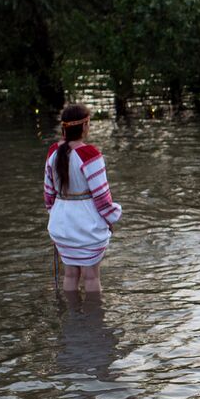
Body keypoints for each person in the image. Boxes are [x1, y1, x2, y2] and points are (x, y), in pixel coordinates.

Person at [44, 103, 122, 295]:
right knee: (91, 276)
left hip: (61, 222)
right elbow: (102, 198)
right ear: (84, 126)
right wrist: (111, 218)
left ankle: (71, 321)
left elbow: (48, 194)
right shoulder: (90, 155)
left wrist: (54, 215)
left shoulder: (53, 152)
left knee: (70, 275)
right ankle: (93, 322)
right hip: (87, 223)